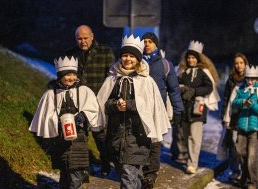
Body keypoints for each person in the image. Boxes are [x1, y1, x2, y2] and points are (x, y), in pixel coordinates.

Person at [97, 34, 171, 189]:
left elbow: (150, 106)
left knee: (128, 175)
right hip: (116, 136)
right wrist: (115, 104)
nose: (128, 59)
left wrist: (129, 105)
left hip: (137, 137)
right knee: (126, 173)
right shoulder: (112, 79)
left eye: (132, 56)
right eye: (125, 55)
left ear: (138, 59)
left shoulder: (146, 81)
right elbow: (103, 103)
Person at [29, 56, 102, 189]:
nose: (71, 78)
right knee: (65, 173)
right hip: (61, 142)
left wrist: (82, 117)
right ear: (60, 76)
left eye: (73, 74)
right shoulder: (51, 94)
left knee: (76, 175)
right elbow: (46, 117)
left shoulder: (84, 91)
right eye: (67, 74)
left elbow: (93, 110)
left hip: (79, 142)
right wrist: (57, 123)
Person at [65, 25, 115, 176]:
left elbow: (112, 78)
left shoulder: (105, 52)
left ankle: (106, 163)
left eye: (85, 38)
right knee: (80, 136)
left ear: (92, 36)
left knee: (100, 137)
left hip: (99, 102)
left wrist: (108, 101)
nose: (83, 41)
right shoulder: (71, 54)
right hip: (78, 102)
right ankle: (81, 168)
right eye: (79, 39)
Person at [141, 32, 184, 188]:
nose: (147, 44)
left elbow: (173, 89)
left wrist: (178, 110)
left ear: (156, 44)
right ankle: (140, 169)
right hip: (139, 109)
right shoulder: (136, 61)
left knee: (155, 142)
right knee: (141, 141)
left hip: (157, 110)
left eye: (150, 41)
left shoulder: (165, 64)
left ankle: (151, 173)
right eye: (144, 41)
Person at [177, 40, 220, 174]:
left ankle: (192, 163)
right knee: (186, 136)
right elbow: (178, 86)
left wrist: (194, 91)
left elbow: (209, 87)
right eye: (189, 57)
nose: (190, 60)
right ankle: (188, 158)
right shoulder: (183, 72)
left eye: (193, 58)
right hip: (185, 110)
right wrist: (182, 89)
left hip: (197, 110)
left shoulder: (203, 72)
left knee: (195, 138)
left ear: (197, 59)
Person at [221, 53, 248, 183]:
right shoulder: (231, 79)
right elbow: (226, 99)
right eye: (236, 63)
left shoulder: (251, 78)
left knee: (244, 146)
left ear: (245, 64)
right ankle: (235, 171)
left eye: (241, 63)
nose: (239, 65)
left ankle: (245, 172)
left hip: (246, 116)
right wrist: (223, 116)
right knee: (232, 145)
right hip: (232, 116)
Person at [232, 64, 258, 189]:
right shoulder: (242, 89)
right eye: (248, 79)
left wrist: (252, 105)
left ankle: (253, 182)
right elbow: (234, 103)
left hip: (254, 129)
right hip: (242, 127)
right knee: (241, 153)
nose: (250, 81)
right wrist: (243, 102)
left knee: (252, 156)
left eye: (253, 79)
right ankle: (244, 178)